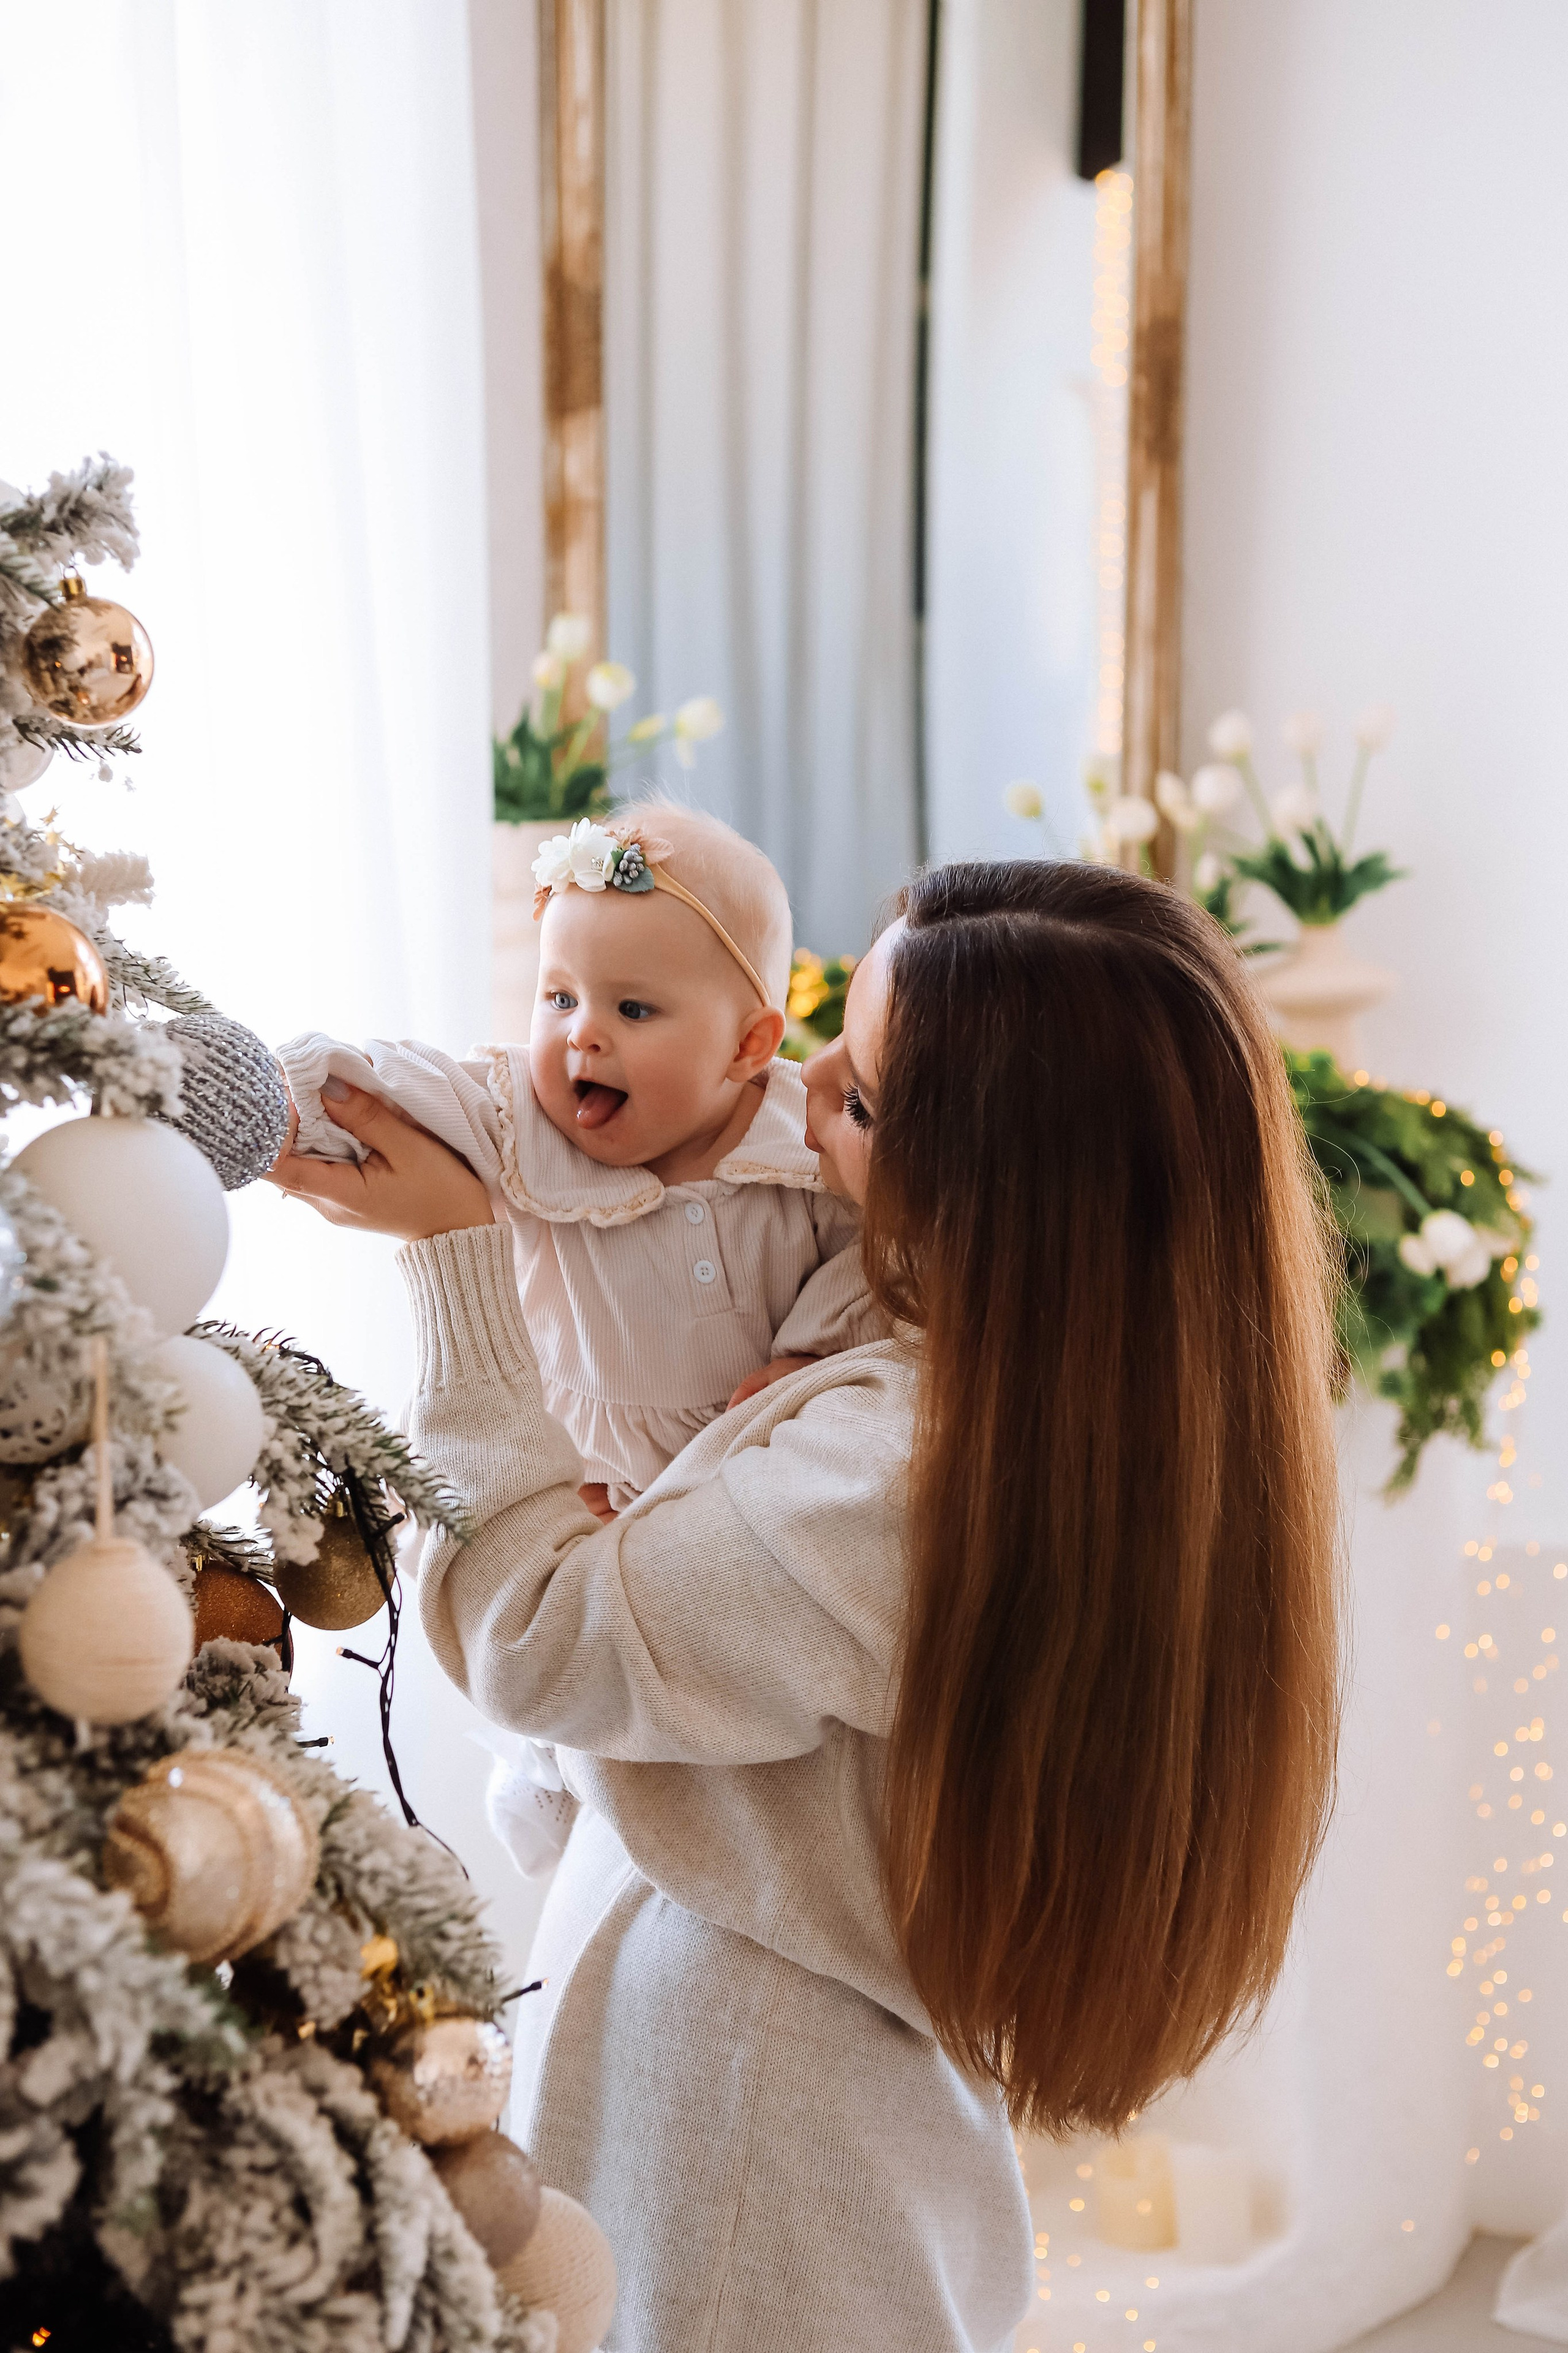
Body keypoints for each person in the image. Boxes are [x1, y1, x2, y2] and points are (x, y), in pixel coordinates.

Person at [271, 858, 1343, 2353]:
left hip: (748, 2130)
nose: (803, 1080)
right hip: (743, 2083)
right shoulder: (1059, 1404)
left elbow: (539, 1636)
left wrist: (462, 1264)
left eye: (862, 1097)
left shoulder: (905, 1468)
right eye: (838, 1026)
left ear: (999, 1194)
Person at [274, 800, 881, 1871]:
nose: (579, 1034)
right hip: (580, 1479)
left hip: (734, 1493)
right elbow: (419, 1089)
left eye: (633, 1008)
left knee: (698, 1708)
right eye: (558, 994)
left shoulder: (806, 1144)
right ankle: (546, 1781)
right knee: (562, 1707)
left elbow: (882, 1257)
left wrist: (812, 1349)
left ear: (751, 1044)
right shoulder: (522, 1123)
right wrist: (299, 1089)